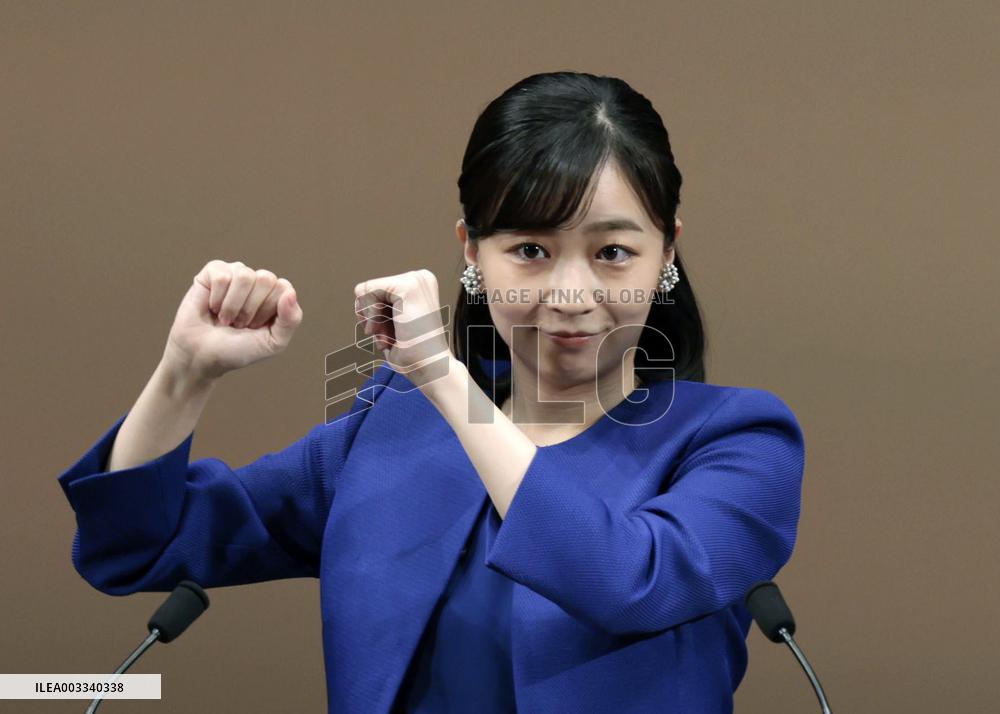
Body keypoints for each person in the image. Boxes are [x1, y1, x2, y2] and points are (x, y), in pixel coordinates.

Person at [56, 71, 806, 713]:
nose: (572, 293)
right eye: (530, 251)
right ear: (471, 254)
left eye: (613, 252)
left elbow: (627, 581)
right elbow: (138, 548)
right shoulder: (390, 430)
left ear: (667, 251)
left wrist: (444, 376)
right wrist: (187, 371)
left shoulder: (739, 441)